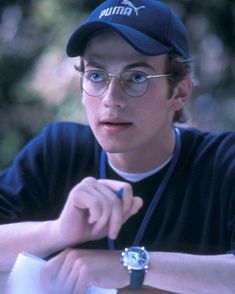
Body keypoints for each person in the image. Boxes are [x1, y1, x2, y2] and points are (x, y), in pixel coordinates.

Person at [0, 0, 235, 293]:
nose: (112, 98)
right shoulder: (57, 150)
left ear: (179, 92)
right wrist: (58, 230)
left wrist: (132, 265)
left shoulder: (224, 162)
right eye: (96, 75)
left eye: (137, 77)